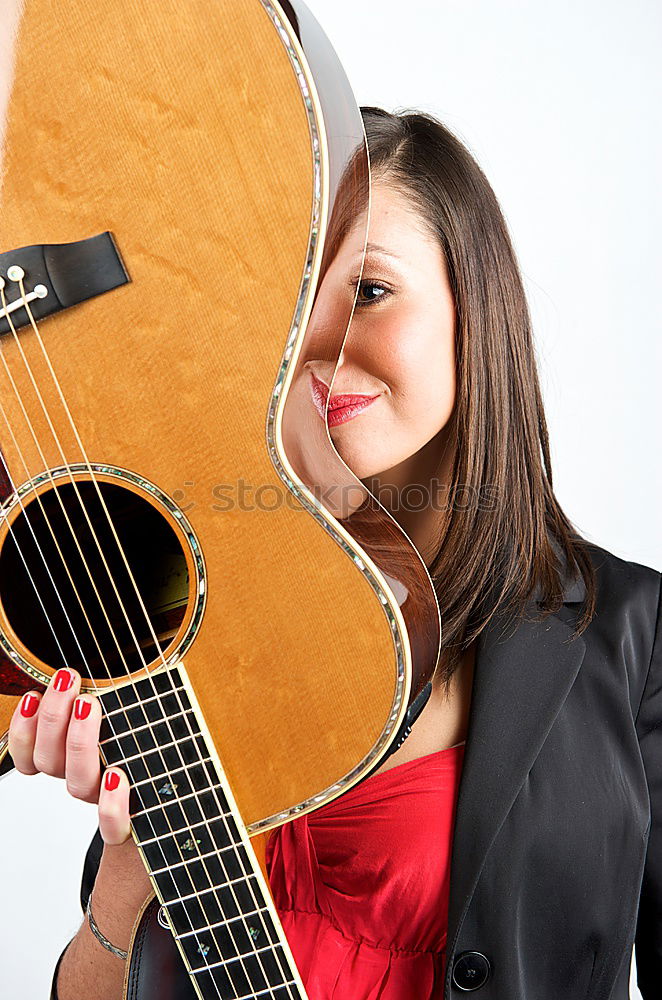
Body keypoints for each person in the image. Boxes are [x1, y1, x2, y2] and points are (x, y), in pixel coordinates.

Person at [9, 107, 660, 1000]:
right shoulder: (196, 615)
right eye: (283, 299)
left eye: (367, 291)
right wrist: (130, 873)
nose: (314, 342)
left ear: (476, 305)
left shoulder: (637, 638)